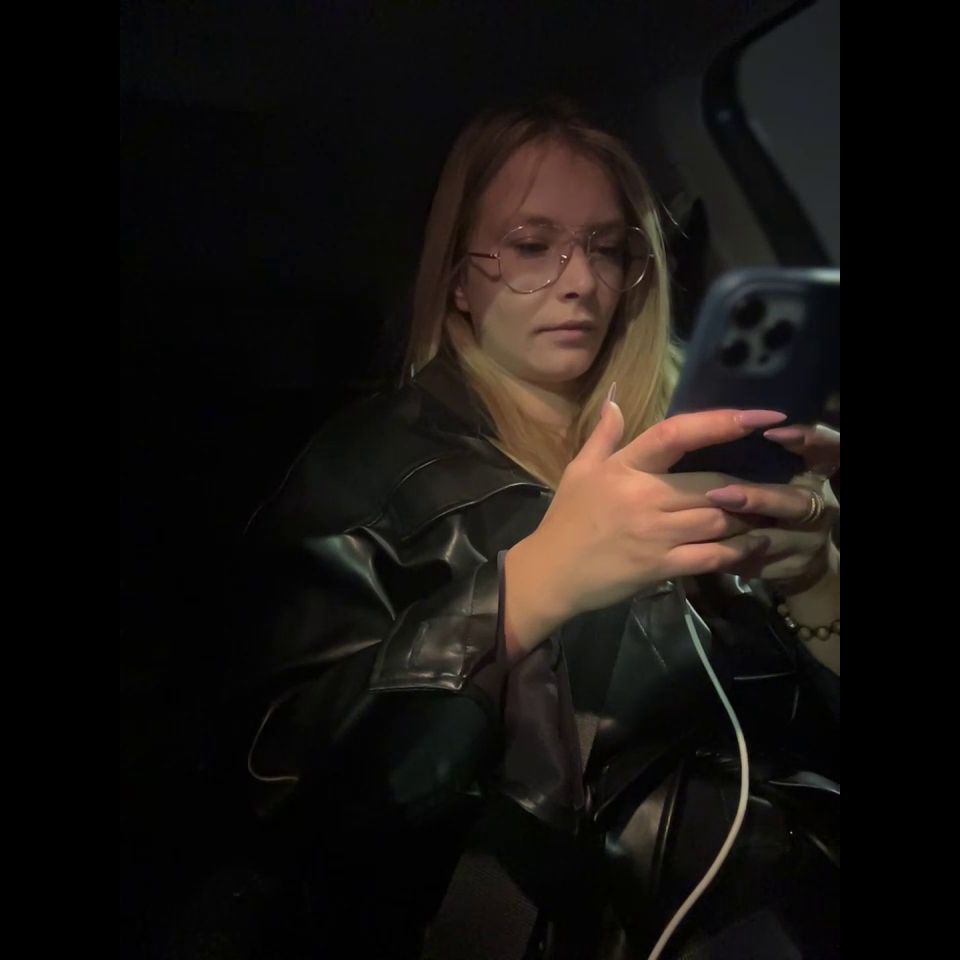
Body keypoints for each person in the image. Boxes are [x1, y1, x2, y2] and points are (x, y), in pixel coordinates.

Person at [219, 99, 840, 960]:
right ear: (460, 279)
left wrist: (818, 586)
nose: (580, 283)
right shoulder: (360, 478)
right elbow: (293, 798)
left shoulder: (689, 433)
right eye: (531, 246)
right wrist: (526, 591)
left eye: (606, 248)